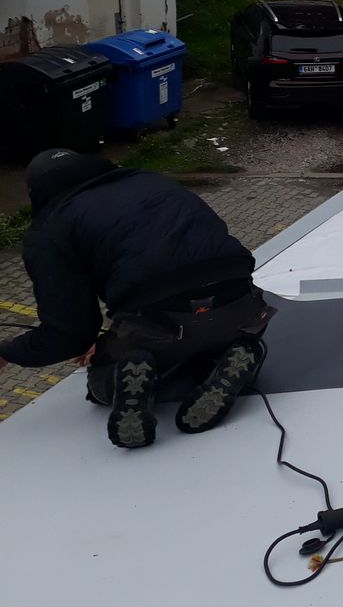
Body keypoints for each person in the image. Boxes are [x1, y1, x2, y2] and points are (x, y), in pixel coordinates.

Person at [0, 149, 274, 449]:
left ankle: (132, 372)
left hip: (161, 324)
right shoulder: (150, 181)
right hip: (241, 306)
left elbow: (69, 335)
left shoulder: (50, 229)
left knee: (103, 380)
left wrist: (9, 352)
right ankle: (228, 360)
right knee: (204, 343)